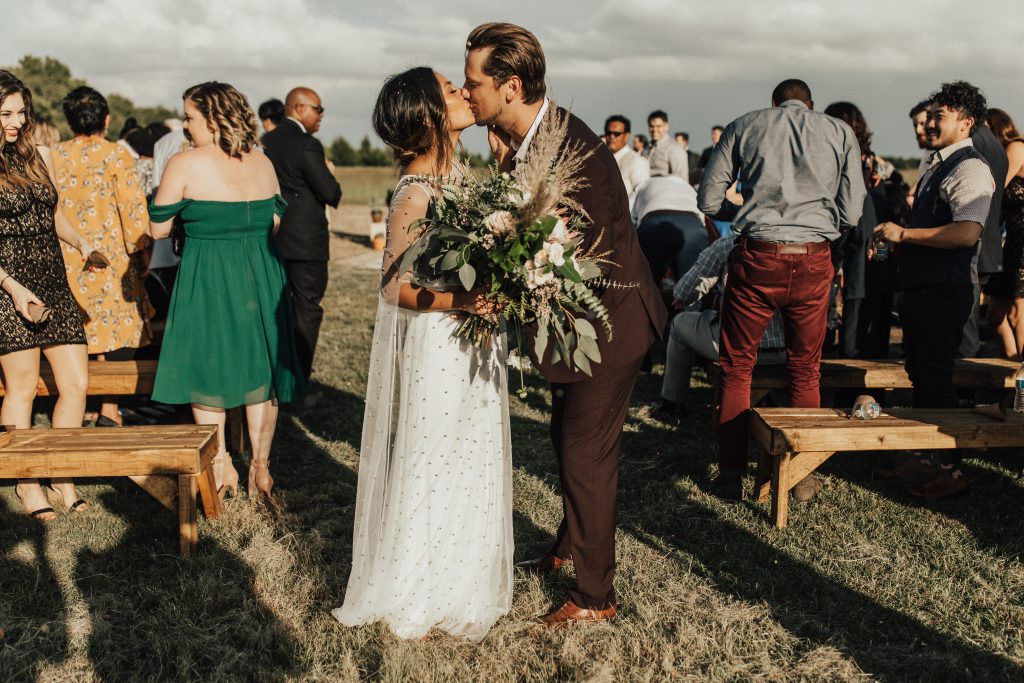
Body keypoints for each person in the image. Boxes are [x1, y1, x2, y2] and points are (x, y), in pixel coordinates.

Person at [463, 22, 666, 626]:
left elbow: (573, 252)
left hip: (609, 327)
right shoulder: (524, 141)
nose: (468, 93)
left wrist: (500, 270)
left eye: (475, 83)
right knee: (564, 441)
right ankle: (570, 544)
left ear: (511, 84)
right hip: (575, 328)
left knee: (585, 453)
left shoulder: (567, 149)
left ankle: (594, 597)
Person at [332, 66, 512, 642]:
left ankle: (461, 579)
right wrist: (466, 299)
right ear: (429, 113)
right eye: (450, 89)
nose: (463, 93)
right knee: (432, 456)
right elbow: (393, 287)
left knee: (469, 452)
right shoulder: (417, 191)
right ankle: (418, 586)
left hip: (466, 337)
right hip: (437, 343)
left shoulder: (456, 179)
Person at [698, 78, 865, 502]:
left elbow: (707, 197)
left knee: (737, 368)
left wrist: (746, 212)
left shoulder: (746, 125)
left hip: (758, 256)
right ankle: (801, 474)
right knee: (805, 368)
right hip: (813, 258)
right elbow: (852, 208)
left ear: (774, 103)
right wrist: (822, 227)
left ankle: (732, 475)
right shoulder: (839, 131)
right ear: (811, 105)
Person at [149, 81, 306, 499]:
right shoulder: (263, 162)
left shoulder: (184, 164)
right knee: (262, 372)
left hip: (209, 273)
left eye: (189, 117)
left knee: (208, 370)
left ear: (213, 119)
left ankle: (220, 467)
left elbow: (157, 228)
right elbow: (274, 222)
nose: (185, 127)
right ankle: (260, 468)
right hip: (262, 273)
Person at [873, 82, 995, 499]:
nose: (927, 122)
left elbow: (965, 232)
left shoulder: (971, 168)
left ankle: (953, 470)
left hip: (944, 289)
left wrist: (905, 234)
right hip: (922, 287)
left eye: (938, 116)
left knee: (937, 378)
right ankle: (928, 458)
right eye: (929, 115)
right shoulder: (936, 162)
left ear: (966, 123)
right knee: (921, 374)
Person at [0, 71, 95, 519]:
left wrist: (84, 245)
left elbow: (54, 214)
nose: (16, 121)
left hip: (54, 281)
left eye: (21, 112)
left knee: (76, 384)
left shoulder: (40, 156)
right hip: (8, 287)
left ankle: (62, 473)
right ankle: (26, 482)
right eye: (5, 113)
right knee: (21, 387)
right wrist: (15, 290)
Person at [54, 87, 153, 428]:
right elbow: (133, 210)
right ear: (107, 120)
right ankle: (109, 408)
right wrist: (141, 253)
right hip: (111, 259)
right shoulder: (116, 156)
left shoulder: (54, 155)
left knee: (81, 331)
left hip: (68, 256)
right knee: (115, 333)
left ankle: (83, 400)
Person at [653, 231, 786, 423]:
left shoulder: (729, 244)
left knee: (680, 324)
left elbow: (683, 291)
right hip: (786, 351)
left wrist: (684, 298)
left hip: (737, 348)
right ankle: (763, 397)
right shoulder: (801, 246)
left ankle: (671, 404)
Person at [262, 87, 342, 380]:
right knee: (307, 308)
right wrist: (332, 179)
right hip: (306, 242)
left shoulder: (264, 142)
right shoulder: (307, 145)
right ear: (298, 108)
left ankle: (273, 369)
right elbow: (329, 191)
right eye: (318, 109)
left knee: (276, 308)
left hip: (271, 238)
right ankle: (297, 375)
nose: (322, 116)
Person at [824, 101, 900, 359]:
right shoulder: (868, 154)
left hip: (857, 228)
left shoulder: (841, 156)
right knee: (875, 322)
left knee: (855, 331)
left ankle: (855, 386)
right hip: (876, 232)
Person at [982, 108, 1024, 359]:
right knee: (995, 314)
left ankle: (1022, 384)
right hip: (1011, 241)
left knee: (1018, 313)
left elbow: (995, 189)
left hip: (1022, 240)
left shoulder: (1016, 147)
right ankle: (1013, 368)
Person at [631, 175, 708, 284]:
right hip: (693, 227)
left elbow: (630, 220)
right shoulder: (686, 185)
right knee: (691, 288)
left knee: (645, 285)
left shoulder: (642, 185)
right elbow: (703, 218)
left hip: (655, 225)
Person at [604, 114, 648, 204]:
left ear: (627, 136)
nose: (612, 137)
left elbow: (642, 194)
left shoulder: (637, 161)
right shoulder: (602, 160)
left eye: (617, 134)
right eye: (608, 133)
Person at [646, 110, 688, 179]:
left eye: (658, 126)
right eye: (651, 126)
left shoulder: (674, 149)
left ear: (666, 126)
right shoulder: (646, 148)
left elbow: (681, 179)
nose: (654, 130)